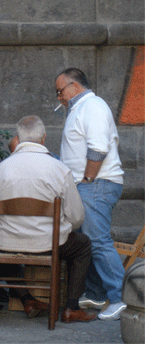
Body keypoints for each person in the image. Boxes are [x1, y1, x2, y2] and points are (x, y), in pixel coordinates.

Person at [0, 115, 97, 323]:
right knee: (83, 245)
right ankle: (70, 308)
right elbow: (77, 217)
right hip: (49, 244)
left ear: (19, 138)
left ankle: (27, 299)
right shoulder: (60, 170)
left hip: (7, 244)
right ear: (43, 138)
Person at [55, 68, 126, 321]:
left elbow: (98, 148)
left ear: (74, 86)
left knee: (97, 241)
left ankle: (121, 299)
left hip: (96, 184)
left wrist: (86, 180)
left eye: (60, 91)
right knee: (87, 241)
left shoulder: (92, 106)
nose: (59, 97)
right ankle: (96, 293)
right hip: (90, 184)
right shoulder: (81, 108)